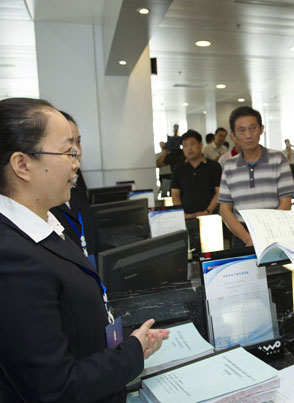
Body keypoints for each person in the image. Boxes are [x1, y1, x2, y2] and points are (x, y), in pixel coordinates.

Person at [0, 98, 169, 402]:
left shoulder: (47, 221)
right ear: (22, 165)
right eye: (67, 151)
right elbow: (56, 388)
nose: (76, 162)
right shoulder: (12, 257)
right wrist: (131, 352)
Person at [218, 106, 294, 248]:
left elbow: (286, 202)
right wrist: (248, 238)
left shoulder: (278, 159)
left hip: (274, 233)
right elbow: (224, 208)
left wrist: (263, 235)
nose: (248, 135)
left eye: (253, 128)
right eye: (242, 130)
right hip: (241, 235)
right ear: (233, 135)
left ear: (261, 129)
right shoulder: (229, 166)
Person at [50, 111, 101, 268]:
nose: (76, 151)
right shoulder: (42, 201)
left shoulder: (76, 185)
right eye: (67, 145)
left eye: (78, 142)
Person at [170, 130, 221, 219]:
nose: (189, 148)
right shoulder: (178, 168)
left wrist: (208, 211)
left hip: (210, 217)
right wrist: (181, 214)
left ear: (200, 145)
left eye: (192, 144)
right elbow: (175, 194)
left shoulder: (214, 166)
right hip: (186, 217)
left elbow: (219, 192)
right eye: (185, 145)